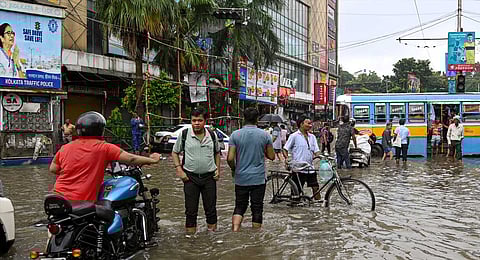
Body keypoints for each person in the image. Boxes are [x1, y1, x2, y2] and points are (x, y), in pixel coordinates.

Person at [49, 111, 161, 203]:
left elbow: (53, 169)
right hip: (81, 201)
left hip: (58, 198)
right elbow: (131, 159)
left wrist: (74, 172)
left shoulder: (65, 148)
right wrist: (153, 160)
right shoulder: (104, 147)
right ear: (101, 129)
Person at [171, 107, 221, 233]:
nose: (196, 123)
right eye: (194, 120)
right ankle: (190, 241)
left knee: (211, 210)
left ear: (205, 121)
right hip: (190, 178)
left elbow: (217, 153)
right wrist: (179, 170)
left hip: (209, 177)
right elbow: (175, 152)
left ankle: (212, 238)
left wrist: (218, 170)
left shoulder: (212, 135)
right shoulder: (184, 135)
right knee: (190, 211)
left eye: (199, 120)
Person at [227, 107, 275, 232]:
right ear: (257, 119)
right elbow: (272, 156)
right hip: (258, 178)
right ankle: (256, 236)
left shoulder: (235, 135)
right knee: (257, 207)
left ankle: (235, 230)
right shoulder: (265, 136)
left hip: (241, 177)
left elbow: (230, 158)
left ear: (244, 118)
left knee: (239, 206)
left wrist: (234, 169)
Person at [283, 114, 322, 200]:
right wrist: (287, 159)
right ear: (301, 124)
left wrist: (322, 157)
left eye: (310, 123)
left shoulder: (312, 137)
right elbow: (285, 149)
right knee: (296, 194)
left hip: (310, 168)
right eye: (308, 123)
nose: (310, 125)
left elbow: (316, 151)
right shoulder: (294, 136)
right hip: (298, 169)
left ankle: (319, 207)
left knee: (316, 188)